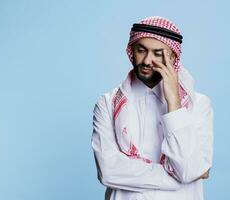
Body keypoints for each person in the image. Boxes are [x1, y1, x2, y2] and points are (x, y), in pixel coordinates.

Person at [91, 16, 214, 200]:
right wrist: (177, 178)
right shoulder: (107, 103)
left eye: (158, 53)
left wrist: (174, 103)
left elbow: (188, 168)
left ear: (173, 57)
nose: (147, 61)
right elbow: (109, 171)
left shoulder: (198, 105)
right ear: (131, 50)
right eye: (141, 50)